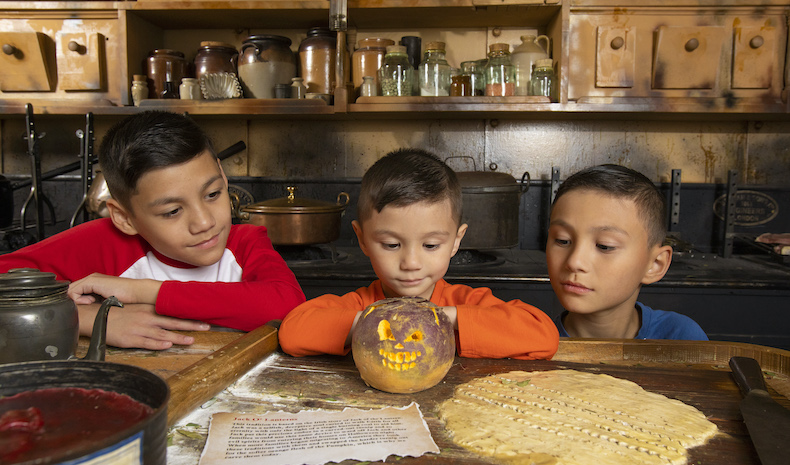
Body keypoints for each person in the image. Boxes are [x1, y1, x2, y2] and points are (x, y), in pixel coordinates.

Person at [0, 111, 305, 350]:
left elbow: (287, 306)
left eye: (212, 194)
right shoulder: (106, 242)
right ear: (125, 218)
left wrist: (144, 292)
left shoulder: (246, 242)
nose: (204, 222)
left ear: (223, 179)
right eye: (172, 211)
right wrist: (91, 319)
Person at [279, 148, 559, 359]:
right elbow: (292, 333)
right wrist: (380, 323)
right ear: (362, 239)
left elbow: (543, 335)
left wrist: (440, 318)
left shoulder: (465, 303)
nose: (411, 263)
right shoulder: (358, 305)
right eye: (391, 245)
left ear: (455, 241)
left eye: (430, 246)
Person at [546, 164, 708, 340]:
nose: (574, 261)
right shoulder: (531, 347)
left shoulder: (680, 337)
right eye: (563, 240)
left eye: (604, 246)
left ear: (655, 264)